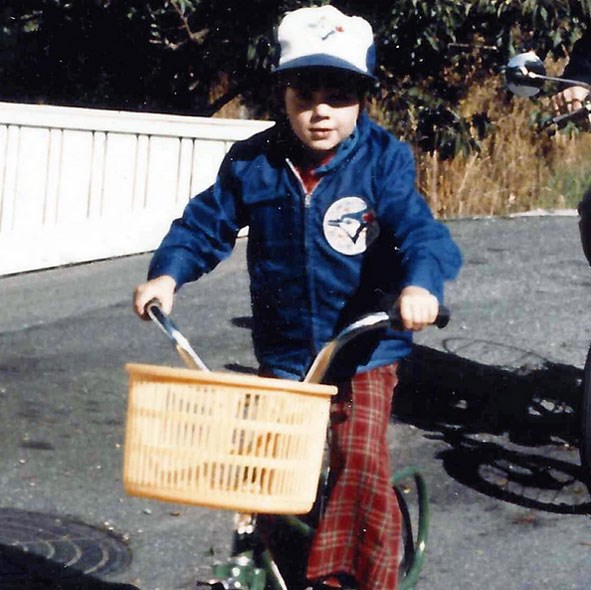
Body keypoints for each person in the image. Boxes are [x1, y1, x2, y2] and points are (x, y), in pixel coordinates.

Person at [133, 5, 462, 590]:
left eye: (339, 96)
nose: (320, 112)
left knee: (359, 459)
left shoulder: (384, 161)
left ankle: (352, 580)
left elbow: (421, 233)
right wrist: (168, 275)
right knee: (267, 471)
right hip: (287, 352)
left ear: (362, 99)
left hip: (364, 350)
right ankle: (275, 568)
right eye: (305, 94)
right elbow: (204, 224)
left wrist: (420, 287)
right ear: (282, 94)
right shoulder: (253, 162)